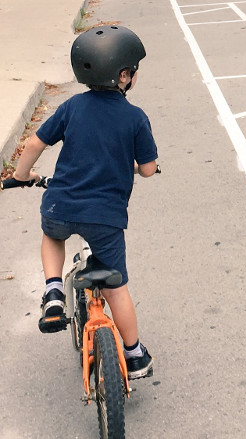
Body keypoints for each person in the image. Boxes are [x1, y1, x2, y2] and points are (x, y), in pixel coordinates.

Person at [13, 25, 159, 380]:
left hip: (60, 205)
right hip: (105, 218)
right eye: (133, 69)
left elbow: (34, 145)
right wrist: (139, 166)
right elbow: (149, 169)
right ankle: (135, 355)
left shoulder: (72, 107)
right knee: (115, 286)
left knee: (52, 236)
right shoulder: (135, 117)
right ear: (124, 75)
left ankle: (52, 291)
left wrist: (20, 176)